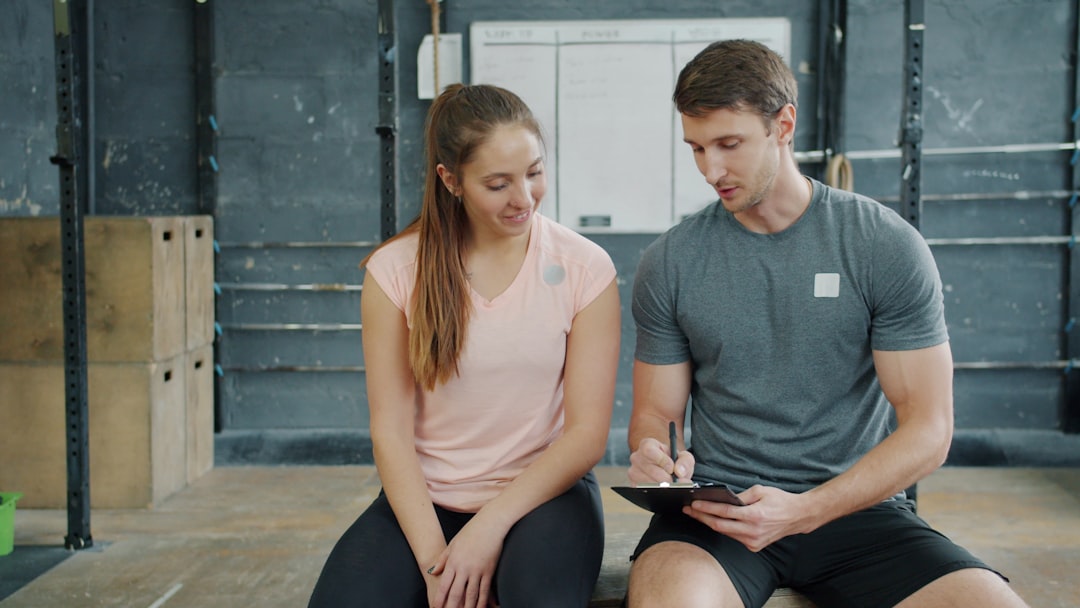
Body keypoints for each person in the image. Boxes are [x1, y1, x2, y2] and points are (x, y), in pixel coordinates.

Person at [624, 39, 1029, 608]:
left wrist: (806, 510)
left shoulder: (882, 246)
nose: (710, 169)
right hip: (720, 516)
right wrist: (652, 450)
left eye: (729, 144)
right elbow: (656, 415)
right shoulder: (671, 261)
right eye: (696, 148)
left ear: (783, 125)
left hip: (854, 510)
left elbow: (929, 429)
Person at [308, 84, 621, 608]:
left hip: (543, 497)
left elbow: (587, 435)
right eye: (498, 184)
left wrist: (486, 529)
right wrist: (438, 563)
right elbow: (390, 430)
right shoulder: (395, 271)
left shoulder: (585, 268)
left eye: (534, 172)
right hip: (428, 499)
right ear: (450, 181)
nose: (524, 198)